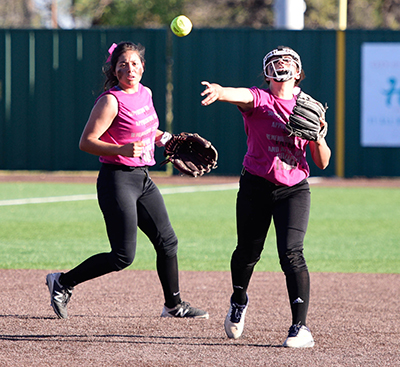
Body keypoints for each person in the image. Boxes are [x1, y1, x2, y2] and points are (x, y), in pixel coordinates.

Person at [46, 41, 208, 320]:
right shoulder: (111, 100)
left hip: (142, 178)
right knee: (123, 256)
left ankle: (173, 305)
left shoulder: (146, 93)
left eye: (134, 63)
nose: (129, 69)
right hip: (116, 180)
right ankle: (62, 282)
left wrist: (165, 138)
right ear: (114, 70)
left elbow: (148, 129)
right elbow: (86, 142)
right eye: (123, 65)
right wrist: (119, 149)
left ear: (142, 67)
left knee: (167, 242)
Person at [200, 46, 331, 347]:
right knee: (247, 252)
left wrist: (319, 138)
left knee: (292, 253)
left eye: (288, 61)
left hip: (294, 189)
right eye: (275, 62)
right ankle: (239, 299)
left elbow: (322, 162)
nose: (281, 65)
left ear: (298, 72)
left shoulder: (309, 108)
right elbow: (241, 95)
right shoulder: (260, 100)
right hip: (255, 186)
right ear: (267, 72)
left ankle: (300, 327)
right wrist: (221, 92)